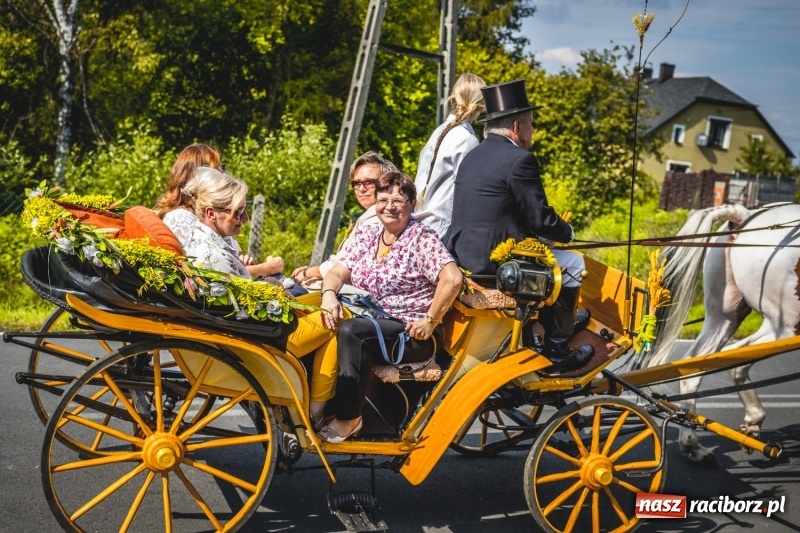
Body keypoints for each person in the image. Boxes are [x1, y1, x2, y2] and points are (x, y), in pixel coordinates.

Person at [443, 79, 594, 372]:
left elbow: (501, 211)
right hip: (492, 265)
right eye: (531, 124)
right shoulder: (519, 159)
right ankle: (559, 351)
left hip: (462, 257)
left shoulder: (473, 155)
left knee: (551, 261)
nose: (532, 132)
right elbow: (541, 219)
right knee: (573, 263)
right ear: (516, 127)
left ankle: (547, 324)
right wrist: (568, 233)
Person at [180, 166, 338, 424]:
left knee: (323, 303)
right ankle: (315, 415)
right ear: (211, 214)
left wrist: (269, 286)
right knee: (339, 316)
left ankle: (313, 405)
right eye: (238, 212)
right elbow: (247, 307)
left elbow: (239, 290)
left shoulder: (205, 243)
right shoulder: (215, 255)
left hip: (248, 328)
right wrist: (275, 289)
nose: (245, 218)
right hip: (258, 338)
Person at [316, 172, 463, 443]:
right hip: (377, 318)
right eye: (383, 199)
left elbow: (453, 279)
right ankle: (319, 407)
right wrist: (328, 297)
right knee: (318, 315)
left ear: (412, 204)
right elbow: (335, 274)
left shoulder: (422, 238)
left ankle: (350, 418)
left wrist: (430, 320)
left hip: (412, 333)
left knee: (352, 331)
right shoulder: (369, 234)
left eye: (398, 200)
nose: (389, 206)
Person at [158, 143, 284, 278]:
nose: (224, 173)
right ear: (200, 176)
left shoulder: (208, 216)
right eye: (218, 168)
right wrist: (268, 268)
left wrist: (240, 262)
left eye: (222, 168)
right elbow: (211, 270)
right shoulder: (181, 217)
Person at [291, 151, 396, 289]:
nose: (362, 188)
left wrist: (307, 272)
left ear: (386, 183)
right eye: (357, 183)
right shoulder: (374, 216)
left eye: (369, 182)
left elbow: (342, 264)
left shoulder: (378, 220)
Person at [413, 73, 486, 238]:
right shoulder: (467, 139)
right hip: (442, 227)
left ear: (454, 100)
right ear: (481, 107)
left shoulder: (439, 131)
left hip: (420, 221)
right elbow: (469, 192)